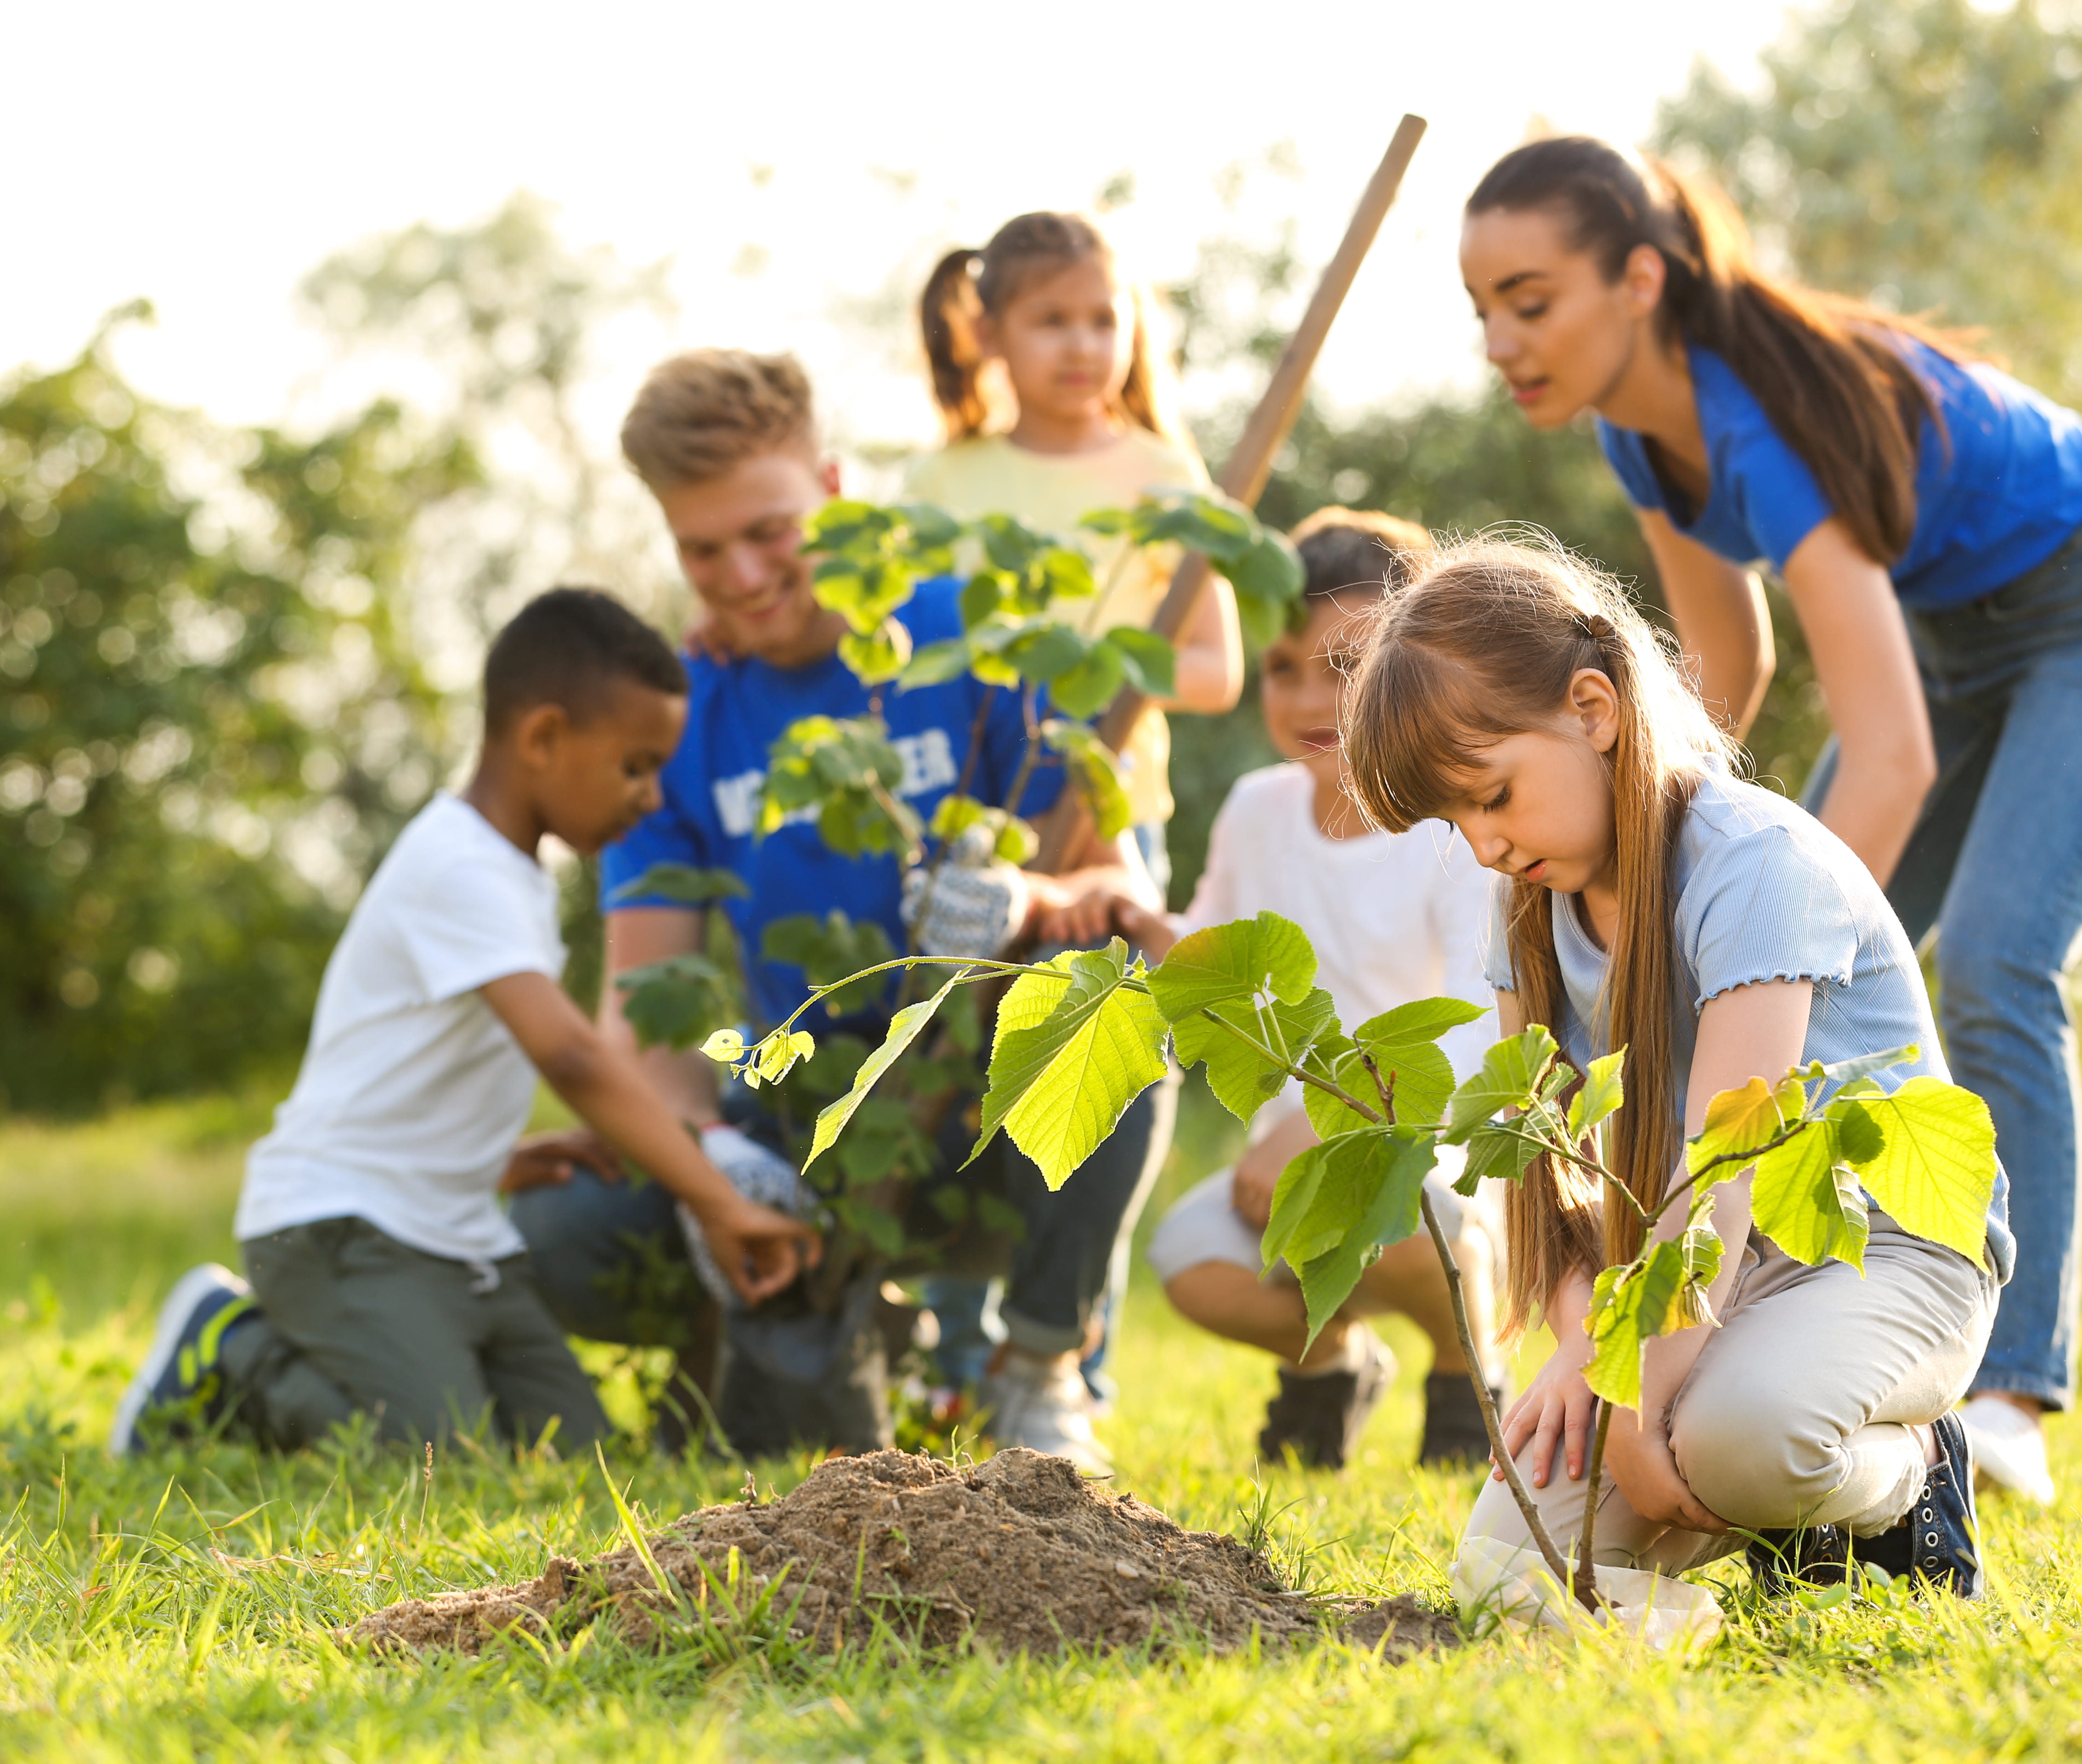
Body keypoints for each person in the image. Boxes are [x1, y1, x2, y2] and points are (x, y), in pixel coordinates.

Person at [1455, 137, 2082, 1505]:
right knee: (1776, 964)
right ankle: (1786, 1312)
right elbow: (1711, 687)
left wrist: (1739, 946)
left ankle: (2007, 1399)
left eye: (1532, 299)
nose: (1504, 341)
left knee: (1995, 955)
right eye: (1484, 313)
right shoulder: (1639, 428)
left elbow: (1886, 758)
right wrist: (1661, 883)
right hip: (1962, 646)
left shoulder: (1760, 413)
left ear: (1641, 278)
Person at [506, 348, 1168, 1472]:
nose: (744, 574)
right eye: (702, 550)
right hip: (798, 1117)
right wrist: (711, 1159)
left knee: (1106, 1010)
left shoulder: (982, 640)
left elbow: (1116, 897)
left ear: (833, 489)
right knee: (564, 1235)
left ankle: (1039, 1365)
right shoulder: (681, 715)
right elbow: (649, 1007)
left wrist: (1026, 893)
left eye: (769, 531)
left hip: (978, 1117)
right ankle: (792, 1329)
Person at [1343, 534, 2014, 1598]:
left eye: (1494, 795)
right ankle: (1760, 1534)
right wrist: (1593, 1375)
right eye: (1455, 819)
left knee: (1736, 1444)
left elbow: (1725, 1169)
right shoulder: (1526, 909)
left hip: (1879, 1246)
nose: (1482, 846)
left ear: (1593, 710)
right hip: (1682, 1275)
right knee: (1508, 1579)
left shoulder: (1753, 865)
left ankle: (1911, 1476)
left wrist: (1635, 1398)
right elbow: (1547, 1190)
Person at [110, 589, 820, 1458]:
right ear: (542, 738)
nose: (650, 798)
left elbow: (430, 1060)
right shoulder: (460, 867)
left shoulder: (510, 874)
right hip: (341, 1230)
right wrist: (715, 1201)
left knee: (572, 1456)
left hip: (452, 1235)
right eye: (635, 766)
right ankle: (229, 1349)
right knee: (441, 1458)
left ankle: (389, 1364)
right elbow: (569, 1054)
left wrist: (500, 1157)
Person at [1047, 508, 1510, 1470]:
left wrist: (1336, 1121)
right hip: (1289, 1166)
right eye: (1283, 667)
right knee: (1189, 1260)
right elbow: (1205, 955)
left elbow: (1482, 1024)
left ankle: (1471, 1369)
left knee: (1411, 1214)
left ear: (1414, 663)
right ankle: (1331, 1363)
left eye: (1346, 666)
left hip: (1426, 1149)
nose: (1310, 697)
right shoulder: (1259, 809)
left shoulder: (1451, 826)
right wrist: (1123, 902)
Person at [904, 210, 1246, 1397]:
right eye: (1051, 321)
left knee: (1099, 1053)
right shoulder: (948, 481)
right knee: (958, 1060)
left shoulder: (1160, 475)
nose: (1083, 345)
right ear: (990, 330)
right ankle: (948, 1338)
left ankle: (1063, 1355)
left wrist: (1112, 674)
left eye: (1103, 318)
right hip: (981, 824)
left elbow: (1216, 670)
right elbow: (902, 660)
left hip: (1113, 822)